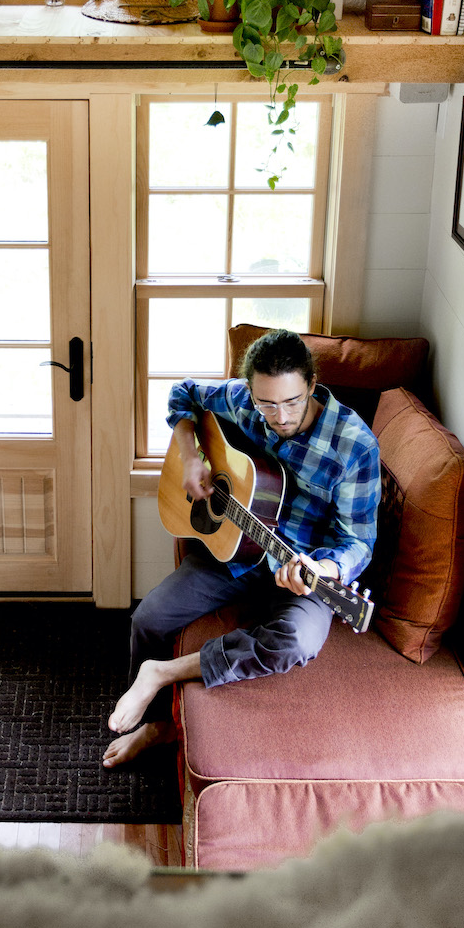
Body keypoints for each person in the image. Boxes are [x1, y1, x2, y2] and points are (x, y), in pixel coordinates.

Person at [103, 328, 380, 767]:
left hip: (302, 569)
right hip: (235, 553)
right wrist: (190, 455)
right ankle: (155, 725)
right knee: (148, 619)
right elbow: (182, 393)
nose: (279, 416)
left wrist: (326, 569)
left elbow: (358, 542)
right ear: (250, 391)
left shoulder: (354, 446)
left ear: (312, 384)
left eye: (292, 401)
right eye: (266, 403)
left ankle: (161, 673)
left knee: (295, 642)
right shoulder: (242, 401)